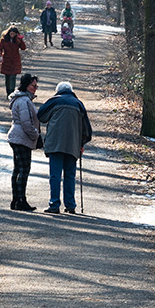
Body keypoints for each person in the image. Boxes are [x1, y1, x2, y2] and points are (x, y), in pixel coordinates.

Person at [37, 81, 93, 214]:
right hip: (73, 145)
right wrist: (81, 144)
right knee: (70, 175)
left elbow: (41, 116)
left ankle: (54, 204)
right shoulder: (79, 104)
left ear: (58, 91)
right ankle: (70, 205)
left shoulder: (54, 101)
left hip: (55, 144)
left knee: (55, 175)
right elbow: (87, 130)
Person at [7, 73, 41, 212]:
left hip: (17, 137)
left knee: (18, 169)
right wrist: (36, 136)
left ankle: (16, 200)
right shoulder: (24, 101)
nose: (35, 88)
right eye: (33, 86)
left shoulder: (22, 99)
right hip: (21, 138)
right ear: (26, 85)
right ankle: (21, 200)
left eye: (36, 86)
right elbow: (27, 123)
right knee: (23, 169)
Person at [0, 27, 26, 96]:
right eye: (11, 34)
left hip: (15, 61)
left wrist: (21, 40)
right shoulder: (4, 39)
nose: (12, 35)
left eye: (13, 34)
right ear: (8, 33)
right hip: (6, 60)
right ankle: (8, 92)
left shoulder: (17, 40)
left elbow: (23, 48)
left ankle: (11, 93)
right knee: (7, 77)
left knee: (13, 77)